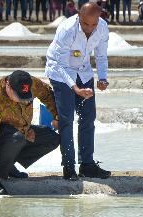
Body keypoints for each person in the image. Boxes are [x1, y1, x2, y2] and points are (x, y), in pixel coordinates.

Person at [45, 2, 111, 180]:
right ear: (78, 17)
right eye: (86, 24)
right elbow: (59, 64)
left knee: (88, 118)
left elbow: (101, 55)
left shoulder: (103, 28)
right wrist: (74, 88)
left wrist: (102, 78)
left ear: (99, 19)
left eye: (94, 24)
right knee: (66, 119)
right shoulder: (67, 29)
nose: (90, 28)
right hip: (60, 73)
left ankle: (87, 164)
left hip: (83, 70)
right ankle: (68, 166)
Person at [0, 70, 60, 195]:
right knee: (17, 138)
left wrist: (56, 116)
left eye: (25, 96)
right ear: (8, 85)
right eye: (18, 96)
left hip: (18, 129)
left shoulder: (32, 83)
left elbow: (48, 95)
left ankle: (7, 163)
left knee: (52, 138)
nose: (21, 99)